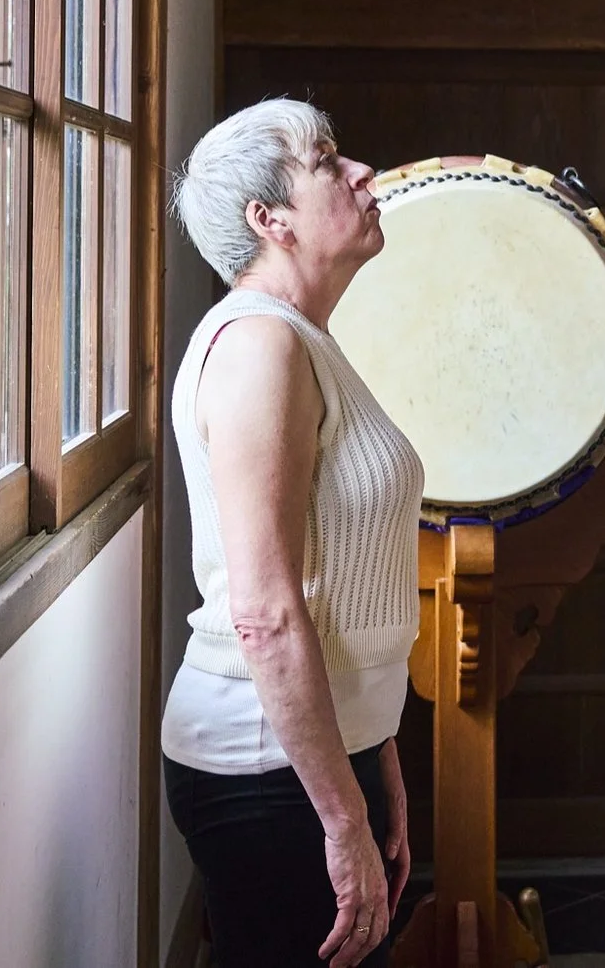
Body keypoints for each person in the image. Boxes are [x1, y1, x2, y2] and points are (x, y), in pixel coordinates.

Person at [165, 99, 423, 968]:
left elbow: (335, 574)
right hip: (261, 767)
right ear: (267, 219)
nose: (361, 171)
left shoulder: (306, 339)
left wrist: (373, 743)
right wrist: (341, 817)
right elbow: (267, 611)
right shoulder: (258, 350)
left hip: (312, 754)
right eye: (328, 159)